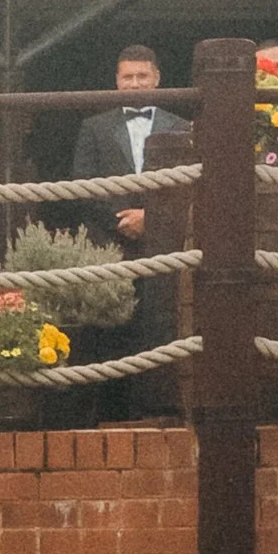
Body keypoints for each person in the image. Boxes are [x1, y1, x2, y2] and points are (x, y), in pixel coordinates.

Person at [68, 43, 190, 417]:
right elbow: (81, 184)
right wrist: (123, 220)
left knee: (162, 326)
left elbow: (191, 187)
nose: (135, 83)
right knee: (107, 331)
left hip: (166, 246)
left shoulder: (182, 127)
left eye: (142, 76)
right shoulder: (94, 127)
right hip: (109, 245)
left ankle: (160, 410)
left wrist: (151, 217)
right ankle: (110, 415)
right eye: (127, 77)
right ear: (116, 82)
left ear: (157, 78)